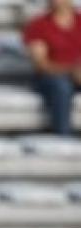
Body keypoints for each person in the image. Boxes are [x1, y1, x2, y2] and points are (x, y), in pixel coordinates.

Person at [23, 0, 81, 136]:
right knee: (61, 87)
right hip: (51, 77)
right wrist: (72, 70)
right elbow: (41, 64)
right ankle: (63, 138)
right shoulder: (39, 25)